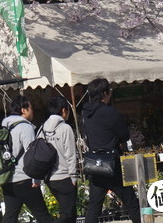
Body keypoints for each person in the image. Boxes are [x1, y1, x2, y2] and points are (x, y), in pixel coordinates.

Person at [80, 78, 140, 223]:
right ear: (105, 93)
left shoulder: (85, 113)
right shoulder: (109, 112)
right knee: (131, 202)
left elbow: (86, 137)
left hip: (95, 164)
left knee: (94, 206)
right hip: (112, 163)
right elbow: (124, 135)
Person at [0, 96, 52, 223]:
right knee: (42, 215)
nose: (32, 111)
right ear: (23, 110)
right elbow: (32, 155)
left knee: (10, 216)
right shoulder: (25, 127)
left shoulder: (4, 127)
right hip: (25, 179)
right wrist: (37, 179)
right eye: (30, 108)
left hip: (8, 179)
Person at [43, 95, 79, 223]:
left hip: (49, 178)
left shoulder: (42, 129)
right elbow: (70, 154)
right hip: (64, 177)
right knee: (67, 215)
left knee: (70, 214)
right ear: (64, 110)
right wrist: (74, 177)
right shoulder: (65, 128)